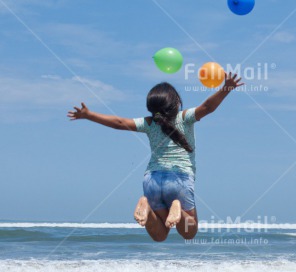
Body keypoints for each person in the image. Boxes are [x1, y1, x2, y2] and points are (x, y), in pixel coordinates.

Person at [68, 73, 244, 242]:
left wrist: (89, 115)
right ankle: (177, 206)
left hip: (152, 181)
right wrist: (226, 88)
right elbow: (207, 107)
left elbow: (119, 123)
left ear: (151, 107)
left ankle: (146, 205)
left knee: (160, 236)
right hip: (179, 180)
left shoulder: (149, 123)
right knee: (189, 232)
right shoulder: (184, 118)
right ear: (176, 102)